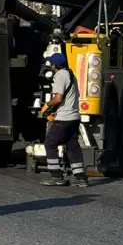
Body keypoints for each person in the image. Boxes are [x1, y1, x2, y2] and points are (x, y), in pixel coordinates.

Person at [40, 53, 88, 187]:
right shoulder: (71, 75)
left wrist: (47, 106)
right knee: (72, 146)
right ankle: (80, 177)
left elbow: (58, 98)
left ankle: (56, 176)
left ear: (54, 65)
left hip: (64, 118)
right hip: (74, 117)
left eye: (51, 64)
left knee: (50, 143)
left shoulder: (60, 76)